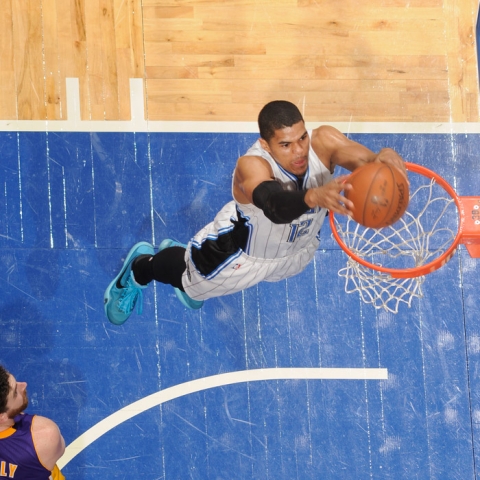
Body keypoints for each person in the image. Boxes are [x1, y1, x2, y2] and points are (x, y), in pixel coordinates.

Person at [104, 100, 406, 325]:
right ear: (266, 144)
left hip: (298, 248)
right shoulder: (252, 165)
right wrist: (314, 196)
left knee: (206, 282)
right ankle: (140, 268)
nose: (299, 151)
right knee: (188, 280)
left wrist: (384, 157)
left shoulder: (324, 141)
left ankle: (190, 263)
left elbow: (370, 164)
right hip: (241, 253)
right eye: (285, 144)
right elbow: (274, 205)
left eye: (302, 138)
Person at [0, 365, 65, 479]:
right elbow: (59, 450)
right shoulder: (43, 435)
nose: (23, 385)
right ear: (2, 417)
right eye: (15, 393)